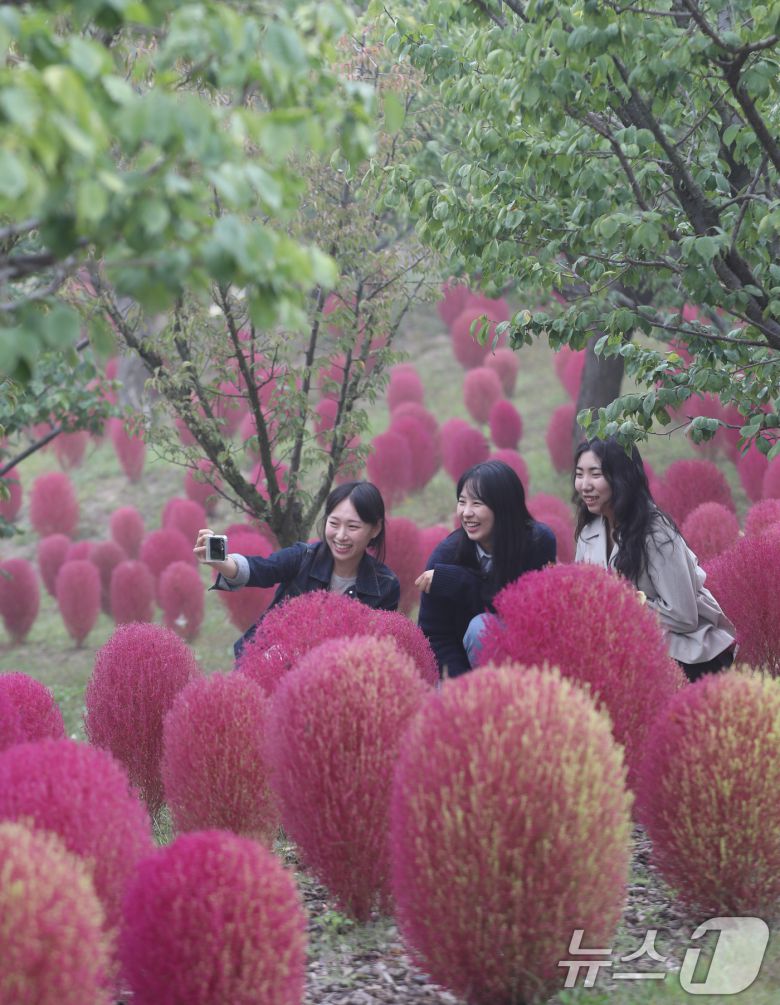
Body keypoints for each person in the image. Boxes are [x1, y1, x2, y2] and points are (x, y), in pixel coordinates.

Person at [573, 437, 735, 682]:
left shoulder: (655, 531)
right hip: (627, 653)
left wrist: (621, 602)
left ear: (620, 478)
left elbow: (684, 616)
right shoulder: (589, 532)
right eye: (579, 474)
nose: (585, 485)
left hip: (685, 657)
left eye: (595, 474)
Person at [195, 480, 400, 657]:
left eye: (353, 527)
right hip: (268, 661)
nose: (340, 536)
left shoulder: (385, 586)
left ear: (375, 528)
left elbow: (371, 649)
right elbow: (261, 569)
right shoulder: (303, 557)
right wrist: (221, 562)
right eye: (334, 523)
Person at [416, 460, 557, 677]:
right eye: (462, 502)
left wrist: (462, 582)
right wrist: (463, 687)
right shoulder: (445, 557)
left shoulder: (537, 543)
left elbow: (521, 612)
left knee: (482, 628)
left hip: (527, 659)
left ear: (504, 507)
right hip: (461, 669)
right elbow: (435, 635)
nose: (466, 512)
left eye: (477, 503)